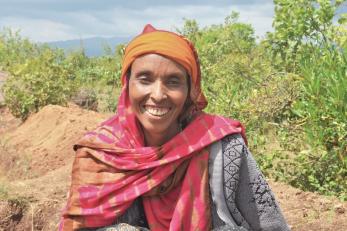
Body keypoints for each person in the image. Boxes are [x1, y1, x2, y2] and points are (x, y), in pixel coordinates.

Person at [59, 24, 290, 231]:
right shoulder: (99, 155)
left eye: (173, 81)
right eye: (145, 79)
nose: (158, 95)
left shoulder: (222, 147)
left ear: (190, 90)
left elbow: (271, 225)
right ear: (127, 84)